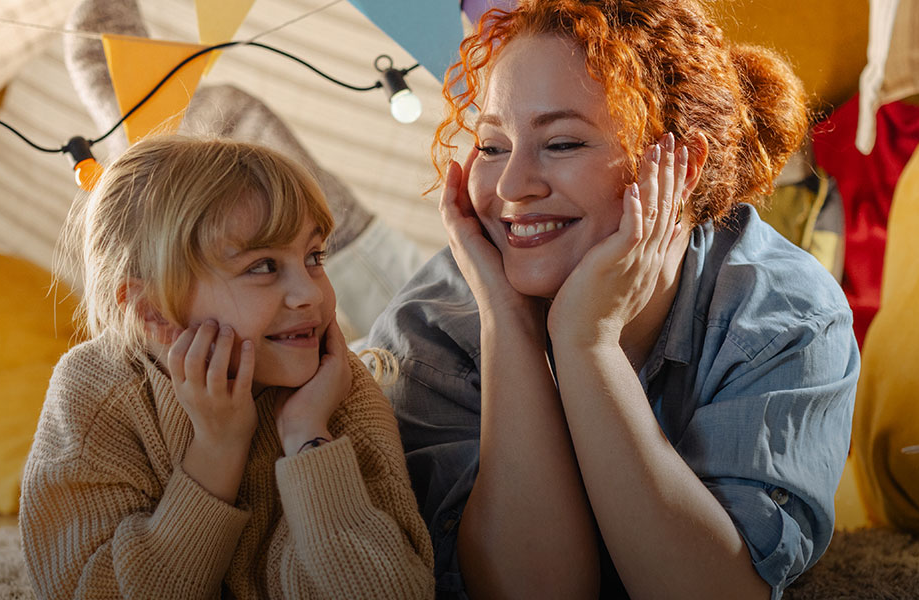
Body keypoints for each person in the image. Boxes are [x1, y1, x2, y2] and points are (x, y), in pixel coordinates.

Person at [363, 0, 860, 597]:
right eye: (492, 146)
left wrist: (586, 343)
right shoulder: (432, 330)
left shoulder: (785, 319)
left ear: (681, 164)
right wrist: (507, 323)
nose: (514, 186)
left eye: (564, 143)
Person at [21, 135, 432, 600]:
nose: (312, 294)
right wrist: (217, 450)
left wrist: (306, 436)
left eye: (314, 257)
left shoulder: (338, 387)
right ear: (153, 310)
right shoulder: (96, 395)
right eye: (263, 266)